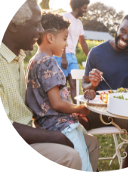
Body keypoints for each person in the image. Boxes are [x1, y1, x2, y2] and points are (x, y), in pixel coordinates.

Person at [0, 0, 99, 171]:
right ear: (14, 25)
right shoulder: (42, 62)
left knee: (92, 143)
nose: (40, 31)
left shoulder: (24, 60)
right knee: (77, 159)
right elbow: (55, 104)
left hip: (44, 125)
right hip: (48, 129)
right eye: (37, 25)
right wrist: (77, 111)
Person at [80, 14, 128, 168]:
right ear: (118, 27)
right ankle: (85, 170)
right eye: (123, 31)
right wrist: (92, 85)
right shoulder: (96, 52)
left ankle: (126, 168)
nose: (125, 37)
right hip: (96, 110)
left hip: (124, 112)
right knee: (72, 124)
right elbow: (85, 87)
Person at [26, 11, 94, 171]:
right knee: (84, 168)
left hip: (48, 125)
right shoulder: (48, 62)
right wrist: (81, 108)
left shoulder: (34, 61)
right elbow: (56, 104)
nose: (66, 44)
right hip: (60, 126)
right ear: (50, 38)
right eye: (64, 39)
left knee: (88, 149)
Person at [53, 0, 90, 104]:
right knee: (62, 84)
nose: (86, 10)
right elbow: (60, 38)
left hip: (72, 57)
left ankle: (75, 109)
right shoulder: (65, 17)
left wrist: (90, 56)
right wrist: (63, 57)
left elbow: (82, 42)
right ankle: (64, 107)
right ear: (77, 7)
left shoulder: (79, 23)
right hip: (61, 55)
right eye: (84, 7)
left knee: (74, 83)